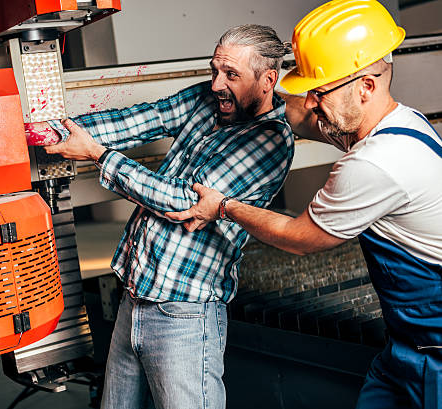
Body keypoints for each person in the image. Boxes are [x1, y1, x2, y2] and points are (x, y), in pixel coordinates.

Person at [166, 1, 442, 408]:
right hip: (406, 346)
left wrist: (224, 206)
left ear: (366, 86)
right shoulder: (402, 123)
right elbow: (309, 118)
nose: (310, 103)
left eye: (320, 90)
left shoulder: (375, 164)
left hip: (434, 355)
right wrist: (256, 90)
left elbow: (296, 238)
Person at [32, 25, 293, 409]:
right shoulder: (209, 100)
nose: (217, 84)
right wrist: (53, 131)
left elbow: (180, 200)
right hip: (134, 298)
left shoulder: (269, 140)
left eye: (231, 75)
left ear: (268, 79)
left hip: (185, 315)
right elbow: (139, 120)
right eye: (214, 70)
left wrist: (98, 155)